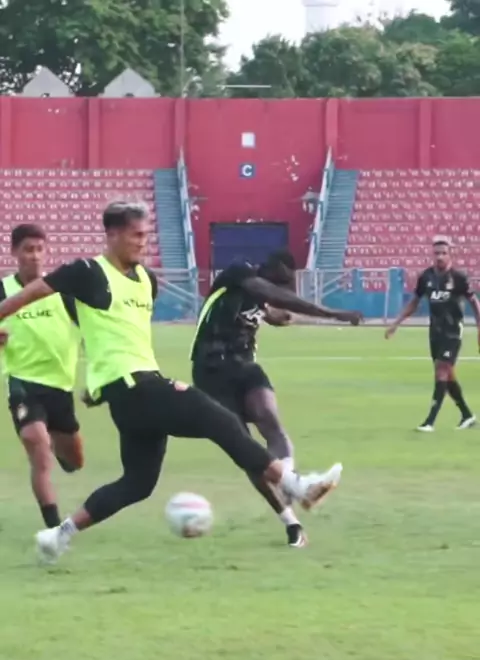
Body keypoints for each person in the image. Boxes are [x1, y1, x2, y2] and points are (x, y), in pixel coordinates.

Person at [0, 201, 344, 564]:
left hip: (129, 394)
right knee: (221, 420)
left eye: (145, 235)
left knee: (138, 483)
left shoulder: (146, 281)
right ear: (112, 234)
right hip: (137, 388)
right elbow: (27, 295)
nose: (142, 242)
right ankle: (295, 485)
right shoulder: (86, 272)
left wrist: (101, 388)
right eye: (135, 235)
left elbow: (117, 338)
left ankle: (58, 535)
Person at [191, 251, 362, 547]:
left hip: (244, 366)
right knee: (245, 448)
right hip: (211, 369)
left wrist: (277, 317)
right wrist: (332, 314)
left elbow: (272, 311)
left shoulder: (259, 299)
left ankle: (292, 484)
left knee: (270, 420)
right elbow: (269, 294)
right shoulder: (239, 271)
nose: (282, 290)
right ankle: (291, 523)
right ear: (271, 271)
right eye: (281, 283)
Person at [0, 223, 83, 528]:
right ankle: (54, 529)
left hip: (60, 385)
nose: (34, 256)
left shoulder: (61, 291)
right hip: (22, 382)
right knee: (36, 444)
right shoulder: (3, 291)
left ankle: (59, 448)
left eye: (39, 249)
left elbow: (91, 330)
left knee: (75, 461)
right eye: (27, 250)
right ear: (14, 252)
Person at [385, 236, 480, 431]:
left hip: (453, 331)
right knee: (448, 375)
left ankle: (430, 422)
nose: (440, 257)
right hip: (435, 332)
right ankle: (467, 415)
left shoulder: (459, 278)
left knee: (441, 370)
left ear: (451, 254)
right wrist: (396, 323)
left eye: (444, 253)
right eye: (437, 253)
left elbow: (474, 303)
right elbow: (414, 302)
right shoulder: (426, 277)